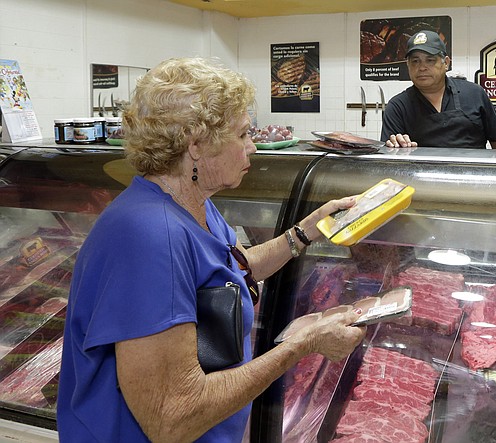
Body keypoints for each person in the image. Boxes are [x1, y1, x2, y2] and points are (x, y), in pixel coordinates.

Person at [57, 57, 366, 442]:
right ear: (197, 144)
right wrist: (303, 344)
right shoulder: (150, 236)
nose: (252, 146)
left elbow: (238, 266)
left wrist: (307, 230)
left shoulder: (191, 203)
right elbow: (172, 418)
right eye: (242, 134)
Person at [381, 30, 496, 150]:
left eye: (430, 60)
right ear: (407, 65)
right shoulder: (398, 107)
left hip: (473, 173)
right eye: (415, 61)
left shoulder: (474, 94)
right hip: (421, 174)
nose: (422, 67)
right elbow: (389, 160)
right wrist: (395, 146)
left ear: (446, 63)